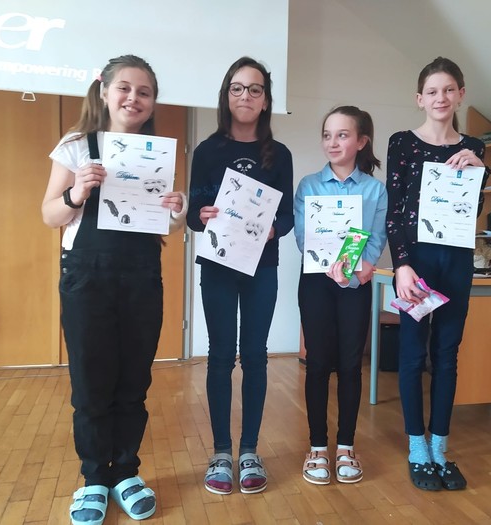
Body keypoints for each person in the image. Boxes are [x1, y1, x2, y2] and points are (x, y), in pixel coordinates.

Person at [41, 55, 186, 525]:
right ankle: (93, 480)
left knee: (134, 382)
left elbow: (162, 224)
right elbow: (49, 214)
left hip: (141, 275)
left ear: (153, 102)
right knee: (90, 384)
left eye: (144, 92)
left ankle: (125, 472)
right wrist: (76, 193)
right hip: (87, 276)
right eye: (125, 88)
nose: (133, 98)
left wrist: (177, 208)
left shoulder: (155, 152)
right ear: (104, 90)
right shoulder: (76, 145)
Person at [187, 56, 294, 495]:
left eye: (254, 89)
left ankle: (249, 450)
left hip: (260, 267)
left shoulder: (279, 154)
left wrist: (273, 229)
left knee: (255, 356)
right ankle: (220, 452)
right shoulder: (207, 151)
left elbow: (287, 216)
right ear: (226, 95)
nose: (245, 96)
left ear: (265, 99)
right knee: (219, 357)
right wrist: (201, 214)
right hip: (218, 266)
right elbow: (192, 215)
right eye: (237, 88)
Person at [385, 57, 490, 491]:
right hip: (417, 263)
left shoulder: (475, 147)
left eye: (448, 90)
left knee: (447, 355)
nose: (440, 98)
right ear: (420, 99)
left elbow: (472, 210)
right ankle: (417, 447)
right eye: (432, 91)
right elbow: (395, 210)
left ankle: (440, 448)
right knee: (412, 355)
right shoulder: (402, 143)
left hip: (457, 261)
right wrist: (402, 265)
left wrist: (479, 172)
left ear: (460, 94)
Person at [294, 106, 388, 485]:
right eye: (327, 135)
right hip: (316, 282)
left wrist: (363, 264)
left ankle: (346, 445)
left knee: (350, 365)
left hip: (354, 287)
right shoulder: (308, 186)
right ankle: (318, 447)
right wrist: (332, 260)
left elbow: (376, 238)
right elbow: (304, 237)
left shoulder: (374, 189)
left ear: (361, 141)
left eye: (342, 135)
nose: (333, 142)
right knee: (317, 364)